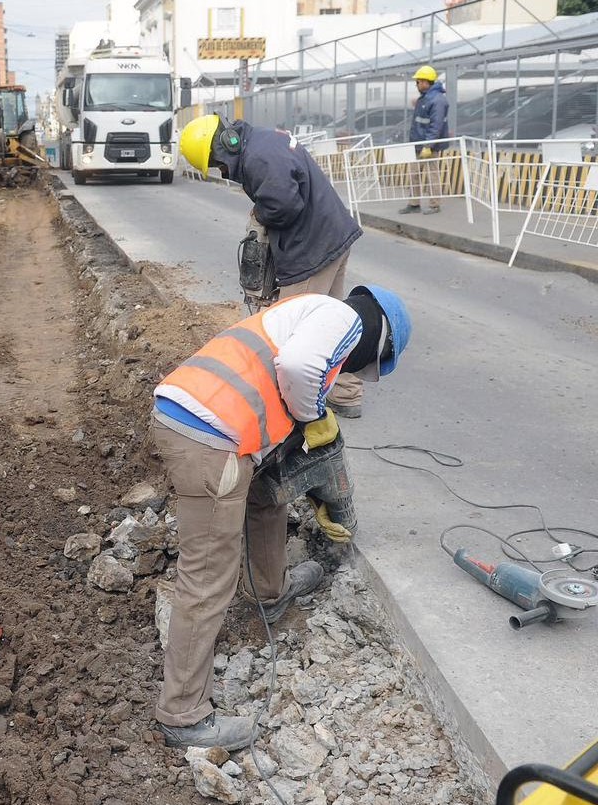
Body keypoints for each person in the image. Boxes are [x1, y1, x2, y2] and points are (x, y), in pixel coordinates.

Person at [150, 286, 412, 750]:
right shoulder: (343, 320)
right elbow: (298, 368)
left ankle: (270, 591)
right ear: (380, 339)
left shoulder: (305, 309)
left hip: (200, 419)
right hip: (208, 437)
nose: (358, 372)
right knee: (207, 576)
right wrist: (311, 416)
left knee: (266, 497)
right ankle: (183, 715)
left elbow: (276, 375)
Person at [179, 113, 368, 418]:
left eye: (217, 164)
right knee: (334, 322)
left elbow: (284, 205)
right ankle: (346, 393)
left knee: (290, 328)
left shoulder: (258, 157)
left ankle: (288, 404)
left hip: (312, 250)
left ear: (223, 146)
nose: (222, 171)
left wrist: (260, 214)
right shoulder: (263, 142)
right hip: (331, 237)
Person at [399, 65, 449, 216]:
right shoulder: (425, 98)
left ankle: (435, 205)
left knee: (432, 174)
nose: (417, 85)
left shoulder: (437, 100)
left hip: (429, 146)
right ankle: (414, 204)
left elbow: (436, 125)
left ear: (426, 82)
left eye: (419, 82)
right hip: (418, 143)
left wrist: (428, 145)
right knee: (414, 174)